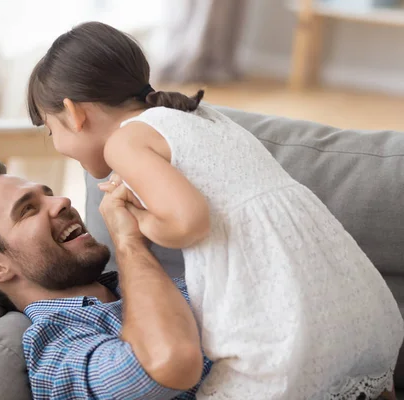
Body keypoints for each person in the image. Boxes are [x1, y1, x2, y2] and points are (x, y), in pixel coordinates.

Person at [26, 21, 403, 399]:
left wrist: (136, 218)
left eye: (50, 130)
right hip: (348, 287)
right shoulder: (196, 117)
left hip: (283, 310)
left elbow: (190, 221)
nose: (57, 143)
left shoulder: (124, 144)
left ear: (74, 113)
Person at [0, 158, 212, 400]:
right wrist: (129, 242)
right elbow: (158, 364)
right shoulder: (55, 350)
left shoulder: (141, 286)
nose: (62, 202)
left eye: (48, 194)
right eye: (28, 209)